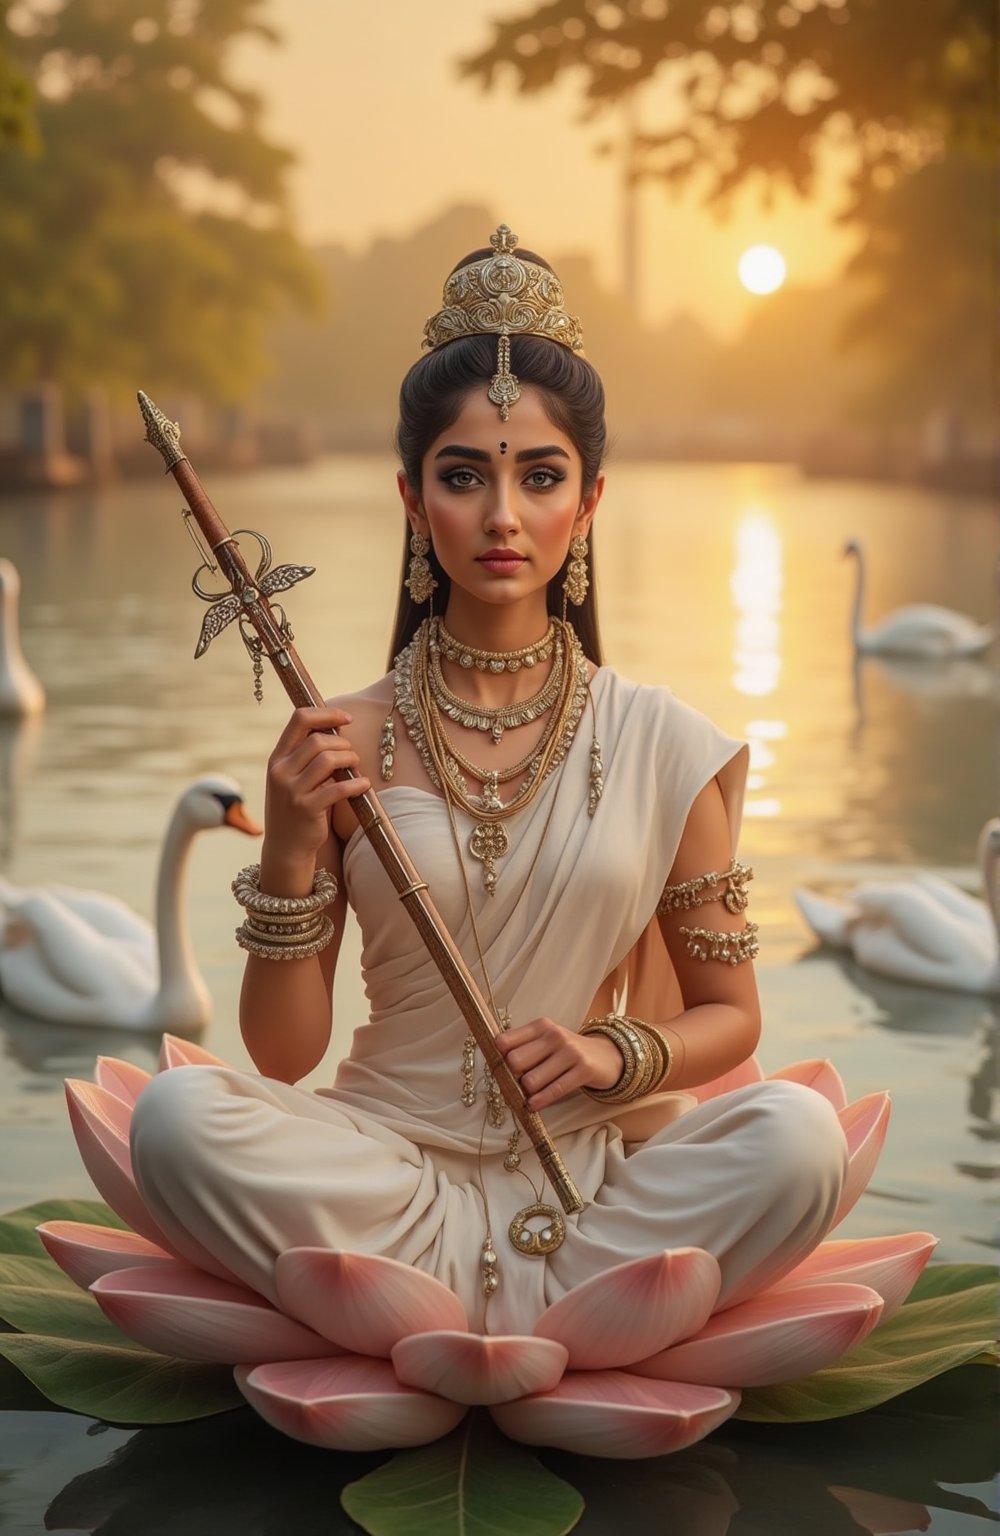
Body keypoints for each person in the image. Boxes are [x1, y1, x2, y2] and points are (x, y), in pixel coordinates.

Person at [130, 225, 848, 1340]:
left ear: (590, 499)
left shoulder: (660, 742)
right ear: (415, 500)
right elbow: (281, 1056)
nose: (503, 517)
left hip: (593, 1178)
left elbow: (729, 1020)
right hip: (381, 1163)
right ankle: (584, 1317)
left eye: (539, 476)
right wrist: (287, 844)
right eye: (464, 477)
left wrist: (614, 1053)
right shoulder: (340, 740)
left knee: (799, 1141)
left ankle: (451, 1308)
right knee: (175, 1119)